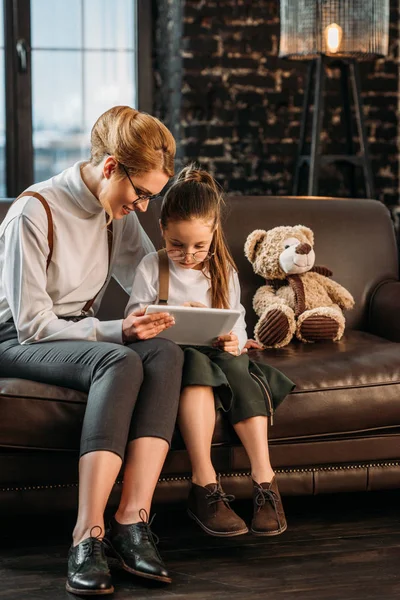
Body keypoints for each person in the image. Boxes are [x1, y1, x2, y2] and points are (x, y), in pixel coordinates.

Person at [0, 106, 184, 596]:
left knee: (165, 353)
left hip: (77, 332)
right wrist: (118, 332)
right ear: (109, 168)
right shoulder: (32, 213)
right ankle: (87, 535)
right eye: (141, 193)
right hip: (18, 338)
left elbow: (146, 284)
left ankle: (132, 521)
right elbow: (34, 325)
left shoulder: (116, 213)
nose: (143, 206)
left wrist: (200, 321)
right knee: (119, 357)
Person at [126, 165, 295, 540]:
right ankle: (205, 483)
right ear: (162, 232)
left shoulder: (223, 270)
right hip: (175, 354)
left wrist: (234, 339)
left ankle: (265, 479)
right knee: (194, 363)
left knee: (239, 367)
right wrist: (159, 321)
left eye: (199, 246)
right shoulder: (151, 267)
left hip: (216, 351)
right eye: (177, 245)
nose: (188, 255)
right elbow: (133, 319)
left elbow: (235, 321)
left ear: (214, 233)